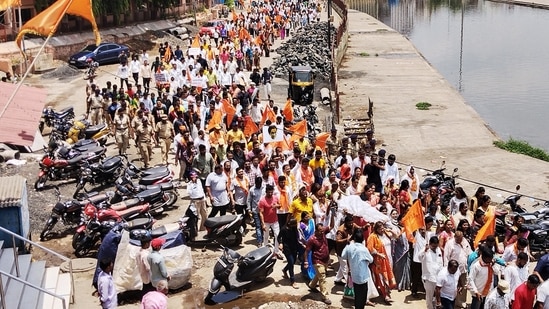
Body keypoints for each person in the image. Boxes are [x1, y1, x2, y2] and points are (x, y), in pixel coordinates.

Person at [341, 229, 374, 309]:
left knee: (357, 294)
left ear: (354, 238)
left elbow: (343, 256)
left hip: (354, 275)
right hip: (363, 276)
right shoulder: (364, 249)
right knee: (362, 296)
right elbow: (371, 260)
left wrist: (347, 243)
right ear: (363, 239)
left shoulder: (349, 247)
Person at [304, 221, 334, 305]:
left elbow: (332, 226)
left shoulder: (323, 233)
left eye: (322, 230)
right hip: (317, 260)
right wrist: (306, 261)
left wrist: (332, 213)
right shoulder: (312, 239)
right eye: (320, 231)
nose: (322, 232)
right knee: (322, 278)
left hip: (325, 259)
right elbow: (306, 251)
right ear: (316, 231)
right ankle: (324, 296)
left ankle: (312, 285)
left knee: (319, 274)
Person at [367, 221, 396, 304]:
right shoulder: (372, 237)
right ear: (376, 229)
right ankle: (386, 296)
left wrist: (390, 231)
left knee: (385, 277)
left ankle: (381, 293)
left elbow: (396, 236)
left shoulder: (385, 234)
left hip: (386, 260)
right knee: (381, 278)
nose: (382, 230)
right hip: (377, 262)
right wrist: (379, 254)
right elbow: (370, 248)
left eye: (383, 228)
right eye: (380, 229)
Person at [443, 230, 472, 309]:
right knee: (454, 286)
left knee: (463, 286)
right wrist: (447, 269)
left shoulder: (464, 241)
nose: (460, 241)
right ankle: (453, 302)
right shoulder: (450, 244)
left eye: (461, 239)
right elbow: (446, 257)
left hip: (463, 269)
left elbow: (469, 252)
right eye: (458, 239)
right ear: (455, 237)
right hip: (453, 270)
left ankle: (461, 302)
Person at [419, 236, 444, 309]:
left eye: (436, 246)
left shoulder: (438, 250)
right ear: (429, 243)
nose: (434, 248)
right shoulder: (425, 251)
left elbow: (440, 262)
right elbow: (419, 258)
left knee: (437, 296)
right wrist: (424, 250)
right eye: (433, 246)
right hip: (428, 278)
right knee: (429, 296)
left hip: (438, 277)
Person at [258, 185, 283, 258]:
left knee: (277, 235)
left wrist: (277, 206)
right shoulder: (262, 201)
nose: (270, 194)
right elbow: (261, 213)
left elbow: (280, 205)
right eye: (269, 192)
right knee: (266, 237)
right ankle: (265, 251)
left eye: (271, 192)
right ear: (266, 192)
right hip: (266, 221)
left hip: (275, 221)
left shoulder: (275, 198)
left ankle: (276, 251)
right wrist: (263, 224)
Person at [278, 218, 300, 289]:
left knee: (292, 262)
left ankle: (284, 270)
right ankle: (292, 280)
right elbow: (279, 237)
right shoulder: (284, 229)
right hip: (287, 248)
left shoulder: (294, 228)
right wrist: (281, 243)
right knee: (291, 263)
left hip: (294, 247)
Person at [248, 177, 264, 246]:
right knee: (258, 226)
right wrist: (249, 209)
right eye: (257, 183)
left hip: (264, 211)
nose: (259, 185)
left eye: (260, 183)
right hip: (255, 210)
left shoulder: (264, 189)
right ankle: (259, 241)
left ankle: (262, 238)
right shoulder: (251, 190)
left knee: (263, 225)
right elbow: (249, 200)